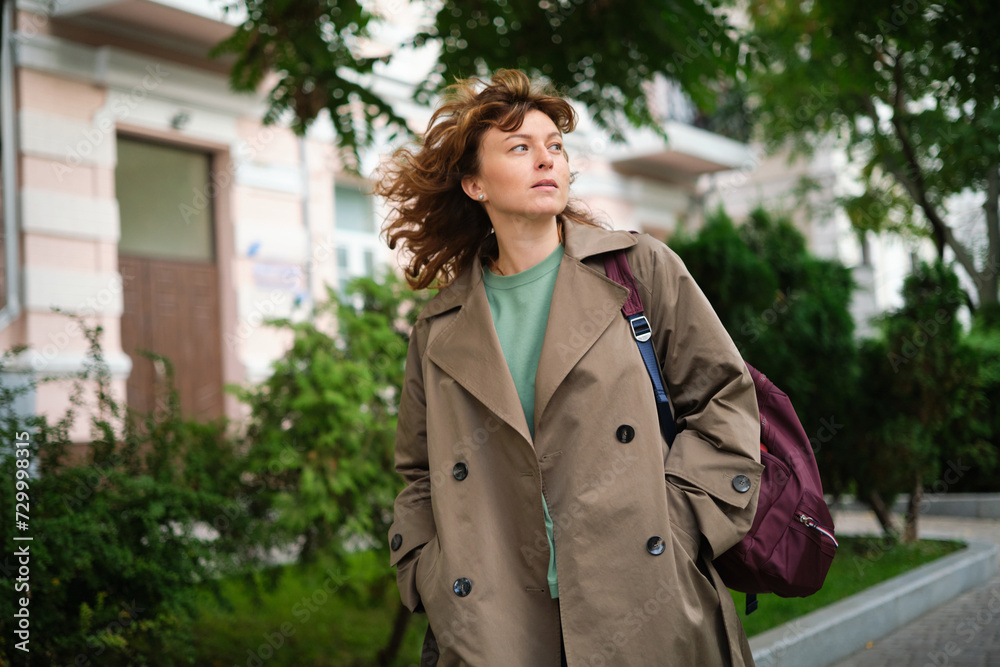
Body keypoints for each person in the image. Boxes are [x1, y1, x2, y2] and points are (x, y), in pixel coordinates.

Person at [378, 69, 763, 666]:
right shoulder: (440, 326)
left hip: (646, 596)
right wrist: (430, 570)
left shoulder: (638, 269)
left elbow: (724, 400)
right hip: (496, 621)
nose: (546, 159)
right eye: (520, 147)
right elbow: (419, 471)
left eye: (554, 146)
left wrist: (680, 528)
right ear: (475, 185)